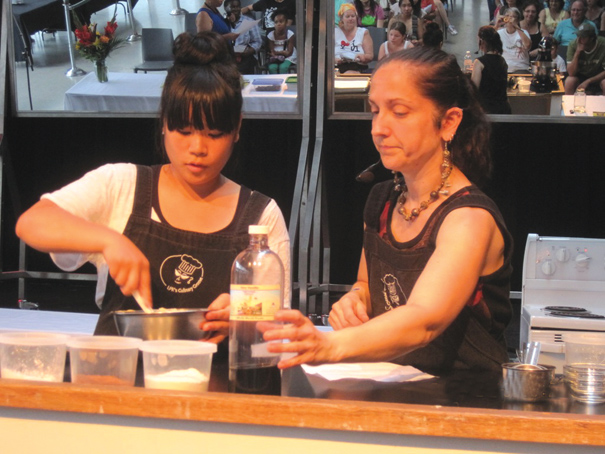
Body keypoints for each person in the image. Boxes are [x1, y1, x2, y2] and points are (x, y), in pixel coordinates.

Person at [15, 32, 291, 338]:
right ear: (163, 123)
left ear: (237, 128)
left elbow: (275, 326)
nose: (198, 148)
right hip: (116, 378)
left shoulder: (261, 217)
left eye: (214, 134)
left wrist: (240, 317)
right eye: (183, 131)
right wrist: (109, 240)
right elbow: (32, 223)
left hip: (213, 380)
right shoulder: (122, 185)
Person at [262, 47, 513, 375]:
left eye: (399, 112)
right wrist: (356, 298)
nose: (378, 128)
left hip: (466, 404)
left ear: (448, 122)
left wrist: (329, 345)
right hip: (392, 386)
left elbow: (425, 320)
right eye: (376, 111)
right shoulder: (383, 201)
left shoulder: (468, 219)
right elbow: (367, 283)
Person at [472, 26, 512, 114]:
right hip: (504, 108)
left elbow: (474, 90)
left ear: (481, 42)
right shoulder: (502, 61)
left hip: (487, 110)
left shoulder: (479, 63)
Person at [565, 23, 605, 93]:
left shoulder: (603, 44)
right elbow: (571, 73)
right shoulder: (573, 44)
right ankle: (568, 103)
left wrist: (589, 81)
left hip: (599, 76)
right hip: (580, 77)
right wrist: (577, 53)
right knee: (569, 80)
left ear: (592, 38)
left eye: (583, 37)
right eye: (578, 35)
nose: (579, 39)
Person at [225, 0, 263, 74]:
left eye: (237, 6)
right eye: (232, 7)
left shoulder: (249, 21)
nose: (235, 9)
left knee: (246, 65)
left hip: (245, 55)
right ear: (226, 8)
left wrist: (249, 51)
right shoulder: (223, 22)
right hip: (228, 56)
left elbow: (258, 41)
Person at [335, 3, 374, 73]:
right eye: (347, 16)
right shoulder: (334, 32)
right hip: (338, 67)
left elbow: (370, 56)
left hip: (358, 67)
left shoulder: (363, 32)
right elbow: (327, 54)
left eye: (353, 16)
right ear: (342, 18)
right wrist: (334, 59)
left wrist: (363, 57)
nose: (350, 19)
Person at [498, 7, 532, 72]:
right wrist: (497, 25)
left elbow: (528, 46)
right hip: (503, 68)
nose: (510, 19)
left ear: (518, 20)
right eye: (507, 16)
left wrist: (516, 26)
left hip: (521, 68)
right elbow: (487, 44)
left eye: (513, 17)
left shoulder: (523, 32)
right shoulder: (499, 33)